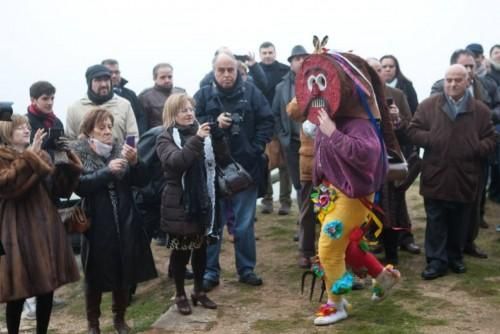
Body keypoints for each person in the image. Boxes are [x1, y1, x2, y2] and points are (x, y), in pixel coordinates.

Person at [72, 108, 157, 334]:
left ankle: (120, 319)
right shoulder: (78, 151)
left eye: (110, 126)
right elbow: (79, 187)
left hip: (125, 216)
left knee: (123, 269)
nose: (108, 131)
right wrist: (107, 172)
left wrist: (136, 162)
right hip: (96, 220)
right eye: (102, 127)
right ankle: (93, 324)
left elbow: (142, 181)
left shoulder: (121, 149)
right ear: (90, 130)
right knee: (94, 273)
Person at [194, 51, 274, 291]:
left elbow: (267, 120)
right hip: (211, 169)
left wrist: (256, 148)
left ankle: (246, 269)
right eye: (222, 70)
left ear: (238, 70)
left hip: (245, 168)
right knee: (212, 223)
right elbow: (190, 124)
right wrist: (214, 122)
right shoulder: (203, 95)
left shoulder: (252, 93)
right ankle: (210, 271)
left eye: (231, 70)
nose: (227, 75)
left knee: (243, 223)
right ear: (213, 70)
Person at [408, 64, 496, 280]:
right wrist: (433, 139)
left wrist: (476, 147)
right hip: (436, 173)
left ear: (468, 82)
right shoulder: (428, 106)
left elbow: (492, 138)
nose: (453, 84)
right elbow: (413, 130)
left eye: (458, 80)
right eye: (449, 80)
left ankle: (455, 257)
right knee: (436, 219)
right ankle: (436, 261)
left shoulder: (481, 110)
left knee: (460, 220)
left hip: (465, 175)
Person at [0, 115, 82, 334]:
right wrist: (30, 156)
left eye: (27, 126)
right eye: (20, 128)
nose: (27, 130)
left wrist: (68, 158)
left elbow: (58, 191)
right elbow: (9, 187)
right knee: (18, 292)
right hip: (16, 229)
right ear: (7, 131)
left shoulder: (41, 154)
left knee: (47, 288)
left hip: (46, 227)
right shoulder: (2, 157)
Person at [156, 93, 230, 315]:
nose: (189, 113)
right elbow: (177, 162)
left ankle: (199, 291)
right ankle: (180, 293)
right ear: (172, 114)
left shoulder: (203, 133)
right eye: (183, 110)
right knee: (181, 252)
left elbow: (224, 158)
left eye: (191, 109)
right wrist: (198, 139)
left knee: (201, 248)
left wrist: (217, 138)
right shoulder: (165, 138)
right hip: (178, 202)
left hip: (204, 199)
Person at [367, 58, 416, 264]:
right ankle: (367, 252)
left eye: (379, 69)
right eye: (371, 70)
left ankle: (392, 255)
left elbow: (410, 129)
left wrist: (397, 120)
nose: (377, 73)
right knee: (366, 209)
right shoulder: (357, 96)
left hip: (390, 161)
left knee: (392, 208)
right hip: (366, 162)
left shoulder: (397, 95)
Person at [259, 41, 293, 215]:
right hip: (264, 124)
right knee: (266, 163)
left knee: (285, 164)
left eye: (270, 52)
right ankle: (267, 200)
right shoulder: (254, 71)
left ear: (275, 53)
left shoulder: (285, 71)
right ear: (260, 54)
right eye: (264, 53)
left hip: (283, 121)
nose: (267, 55)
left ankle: (285, 202)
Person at [66, 64, 139, 141]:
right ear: (89, 83)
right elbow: (70, 141)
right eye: (98, 80)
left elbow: (133, 136)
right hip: (84, 153)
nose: (103, 84)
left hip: (119, 152)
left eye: (106, 79)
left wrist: (129, 150)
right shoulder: (74, 109)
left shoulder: (124, 105)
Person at [102, 59, 147, 136]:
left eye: (117, 72)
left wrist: (139, 139)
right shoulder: (98, 96)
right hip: (106, 141)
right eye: (110, 73)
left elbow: (141, 118)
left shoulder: (131, 94)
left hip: (130, 142)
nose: (114, 76)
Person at [139, 63, 186, 130]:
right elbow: (142, 125)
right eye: (163, 77)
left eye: (170, 77)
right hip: (158, 136)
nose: (167, 80)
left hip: (183, 135)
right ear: (154, 78)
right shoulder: (145, 97)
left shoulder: (181, 93)